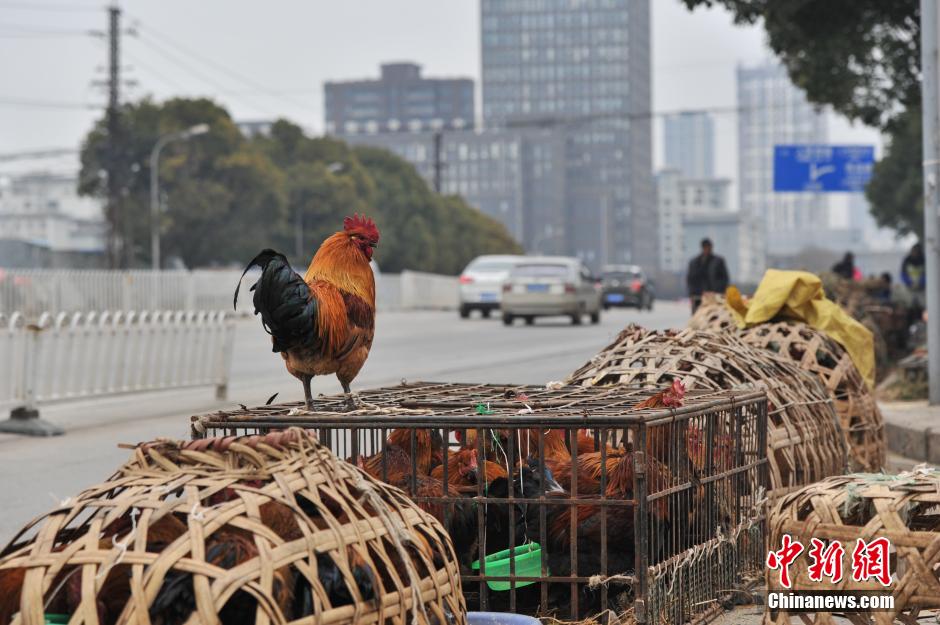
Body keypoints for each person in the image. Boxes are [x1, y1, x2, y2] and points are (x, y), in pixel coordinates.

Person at [686, 238, 729, 314]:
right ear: (702, 248)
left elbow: (724, 279)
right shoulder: (694, 262)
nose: (707, 249)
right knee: (698, 317)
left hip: (715, 296)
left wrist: (718, 292)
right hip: (698, 296)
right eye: (705, 247)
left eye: (708, 247)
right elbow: (690, 279)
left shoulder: (718, 261)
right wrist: (692, 294)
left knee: (714, 316)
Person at [901, 242, 927, 324]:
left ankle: (922, 324)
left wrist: (921, 283)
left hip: (921, 288)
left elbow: (926, 274)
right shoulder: (907, 260)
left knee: (922, 307)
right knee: (909, 306)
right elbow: (903, 274)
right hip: (910, 288)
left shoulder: (924, 260)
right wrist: (909, 283)